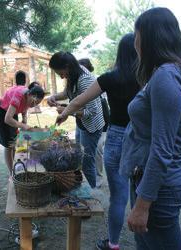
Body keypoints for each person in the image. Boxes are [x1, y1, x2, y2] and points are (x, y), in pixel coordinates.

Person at [118, 8, 181, 249]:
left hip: (159, 188)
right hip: (150, 181)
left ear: (148, 37)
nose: (134, 42)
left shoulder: (167, 76)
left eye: (137, 34)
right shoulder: (166, 73)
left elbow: (162, 148)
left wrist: (143, 205)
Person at [56, 34, 140, 250]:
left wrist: (65, 113)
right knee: (141, 194)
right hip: (142, 139)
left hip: (116, 138)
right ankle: (144, 240)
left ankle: (113, 243)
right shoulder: (148, 78)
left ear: (119, 53)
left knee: (119, 197)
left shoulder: (109, 78)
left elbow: (79, 101)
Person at [48, 52, 105, 188]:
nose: (61, 76)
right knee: (78, 157)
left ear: (67, 66)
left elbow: (91, 112)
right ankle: (80, 185)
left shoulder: (84, 80)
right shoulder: (73, 72)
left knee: (86, 162)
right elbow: (67, 93)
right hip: (82, 124)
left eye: (61, 73)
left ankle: (91, 194)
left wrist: (67, 111)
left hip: (91, 126)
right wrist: (54, 97)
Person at [0, 82, 45, 174]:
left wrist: (24, 120)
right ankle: (12, 173)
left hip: (13, 113)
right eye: (34, 103)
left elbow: (25, 107)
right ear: (29, 95)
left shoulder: (29, 96)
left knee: (14, 142)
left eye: (37, 104)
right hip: (2, 113)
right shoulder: (18, 95)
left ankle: (16, 166)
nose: (33, 105)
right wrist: (23, 126)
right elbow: (7, 119)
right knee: (8, 144)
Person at [78, 58, 110, 187]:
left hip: (101, 121)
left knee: (98, 150)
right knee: (89, 153)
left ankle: (99, 176)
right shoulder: (81, 82)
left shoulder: (90, 82)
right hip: (88, 123)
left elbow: (97, 109)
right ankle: (93, 175)